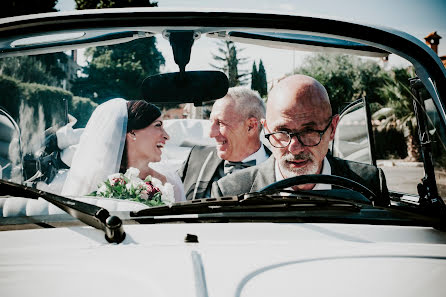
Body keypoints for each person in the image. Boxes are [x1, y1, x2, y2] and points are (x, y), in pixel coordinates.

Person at [211, 75, 390, 206]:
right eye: (282, 132)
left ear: (333, 129)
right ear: (265, 129)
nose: (295, 147)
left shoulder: (369, 184)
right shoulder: (231, 192)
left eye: (308, 131)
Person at [62, 98, 185, 202]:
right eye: (158, 125)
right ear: (132, 132)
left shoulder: (170, 184)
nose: (166, 136)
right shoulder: (96, 181)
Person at [178, 86, 271, 200]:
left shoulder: (281, 169)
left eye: (220, 123)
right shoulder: (196, 159)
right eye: (211, 122)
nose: (211, 133)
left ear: (251, 126)